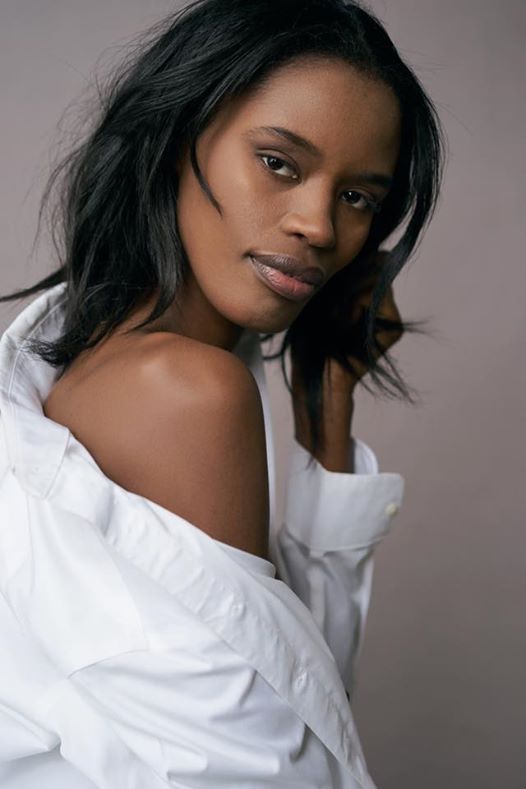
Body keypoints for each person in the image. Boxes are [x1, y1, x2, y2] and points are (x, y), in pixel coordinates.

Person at [0, 0, 444, 786]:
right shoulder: (191, 392)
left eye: (357, 197)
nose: (318, 225)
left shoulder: (96, 357)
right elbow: (283, 765)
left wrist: (328, 405)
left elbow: (295, 703)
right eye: (280, 163)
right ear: (178, 137)